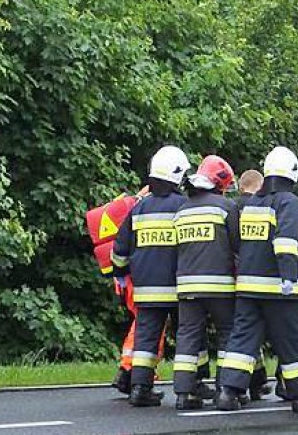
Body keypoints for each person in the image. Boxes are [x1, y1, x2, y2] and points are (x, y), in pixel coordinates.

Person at [216, 147, 298, 413]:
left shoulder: (252, 203)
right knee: (293, 341)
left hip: (248, 286)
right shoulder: (289, 202)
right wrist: (289, 277)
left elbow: (241, 243)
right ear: (292, 173)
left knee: (242, 339)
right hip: (278, 287)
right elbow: (286, 242)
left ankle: (228, 392)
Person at [110, 146, 190, 406]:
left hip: (145, 289)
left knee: (145, 340)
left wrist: (121, 274)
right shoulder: (184, 206)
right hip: (178, 287)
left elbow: (119, 251)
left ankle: (140, 390)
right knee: (188, 336)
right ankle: (190, 389)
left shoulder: (139, 208)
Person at [172, 155, 239, 410]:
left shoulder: (181, 210)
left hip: (187, 286)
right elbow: (237, 245)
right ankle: (225, 391)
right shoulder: (226, 207)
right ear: (219, 183)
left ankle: (184, 393)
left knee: (188, 335)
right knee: (227, 334)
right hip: (220, 285)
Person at [85, 186, 146, 395]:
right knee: (147, 323)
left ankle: (128, 371)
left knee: (142, 322)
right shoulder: (143, 207)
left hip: (123, 277)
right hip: (135, 277)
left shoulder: (130, 204)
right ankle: (128, 371)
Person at [238, 169, 271, 400]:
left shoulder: (232, 207)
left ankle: (251, 382)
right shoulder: (263, 206)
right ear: (260, 186)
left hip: (234, 276)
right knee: (253, 333)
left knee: (243, 333)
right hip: (259, 276)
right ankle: (257, 382)